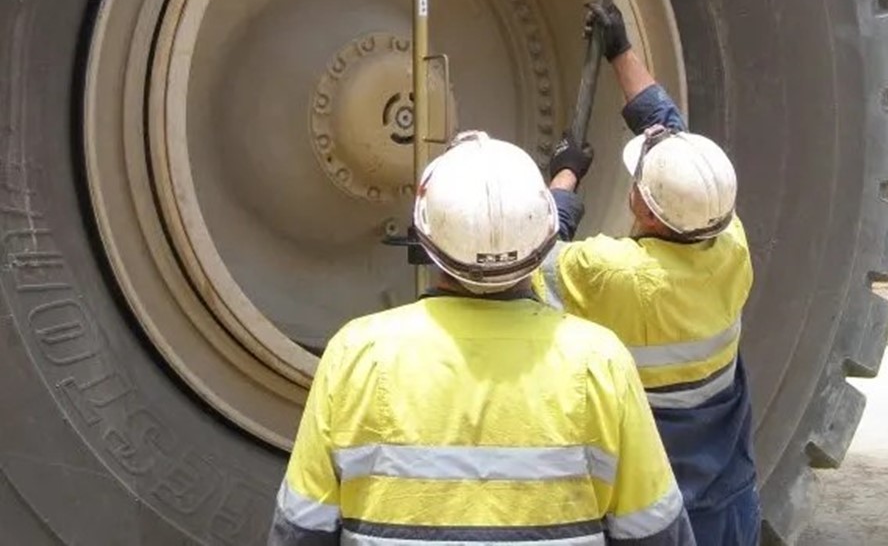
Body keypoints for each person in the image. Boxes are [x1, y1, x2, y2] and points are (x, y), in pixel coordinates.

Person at [269, 130, 695, 546]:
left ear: (425, 236)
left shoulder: (356, 354)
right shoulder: (599, 361)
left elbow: (302, 529)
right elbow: (653, 531)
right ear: (544, 237)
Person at [536, 6, 761, 546]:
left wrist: (564, 180)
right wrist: (622, 52)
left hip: (662, 518)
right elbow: (683, 159)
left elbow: (527, 256)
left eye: (638, 179)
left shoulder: (618, 274)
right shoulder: (730, 241)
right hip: (732, 501)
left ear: (649, 212)